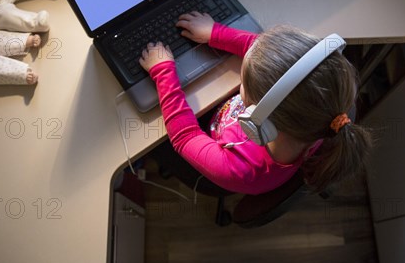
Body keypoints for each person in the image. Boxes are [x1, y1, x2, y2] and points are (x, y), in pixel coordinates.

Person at [139, 11, 373, 195]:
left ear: (258, 116)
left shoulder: (238, 170)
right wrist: (215, 33)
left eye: (244, 79)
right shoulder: (318, 115)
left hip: (209, 146)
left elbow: (184, 137)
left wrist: (163, 72)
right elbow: (271, 56)